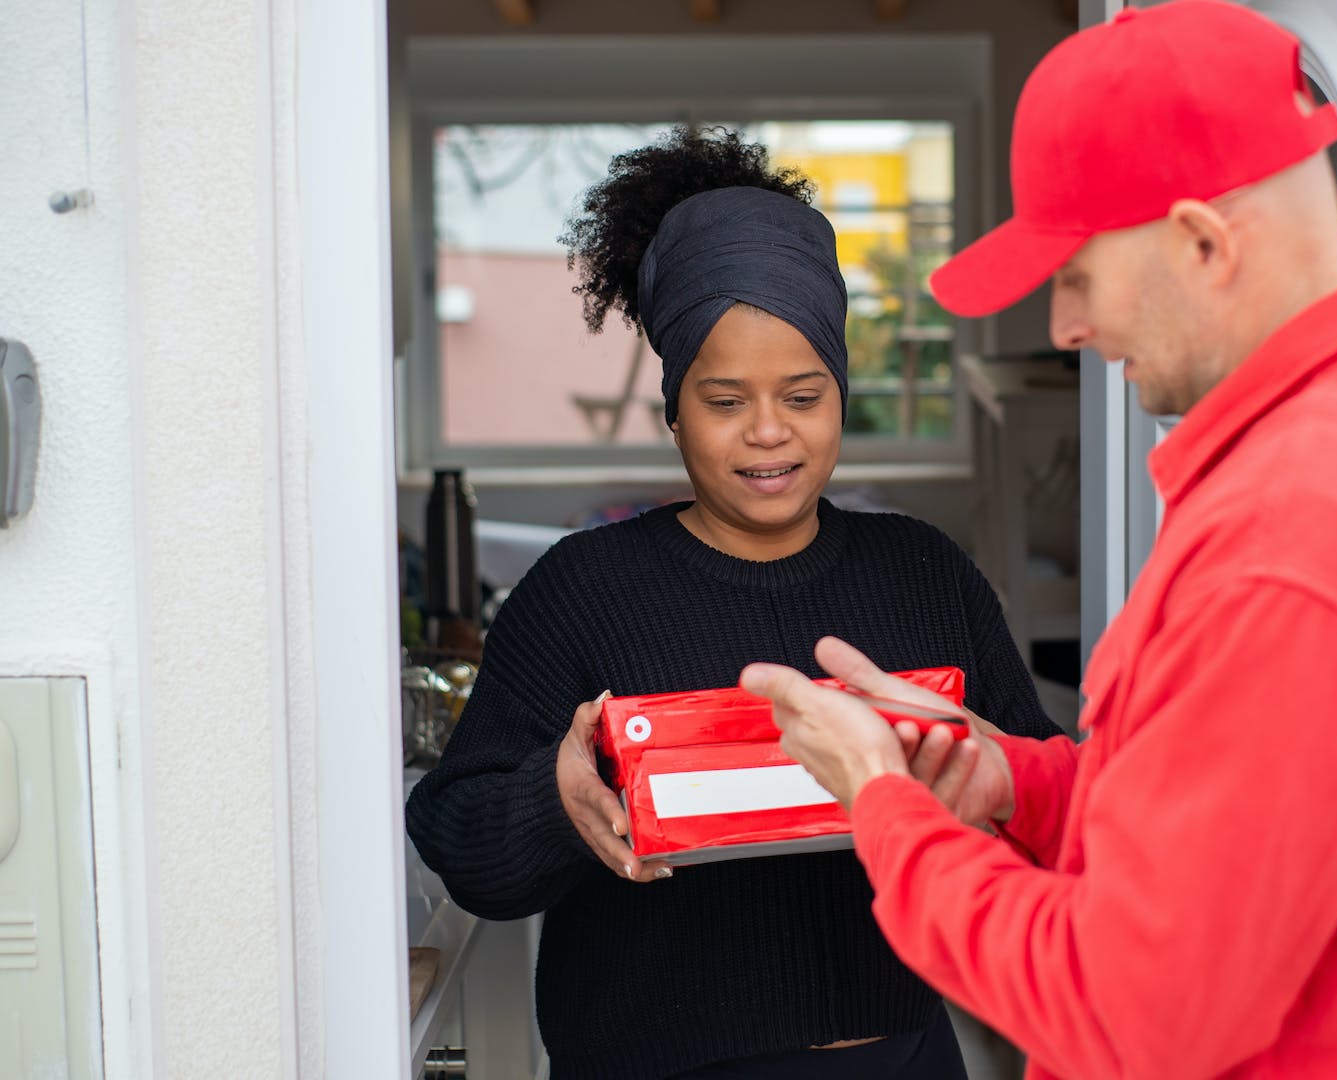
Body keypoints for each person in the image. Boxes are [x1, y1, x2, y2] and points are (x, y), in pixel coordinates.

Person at [738, 3, 1337, 1078]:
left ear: (1201, 244)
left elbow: (1128, 1013)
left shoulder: (1307, 537)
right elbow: (1253, 840)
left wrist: (886, 808)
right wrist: (1014, 782)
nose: (1064, 329)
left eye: (1077, 277)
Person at [405, 125, 1057, 1080]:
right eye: (723, 400)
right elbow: (458, 840)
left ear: (841, 392)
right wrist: (558, 795)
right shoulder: (582, 591)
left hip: (904, 1058)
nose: (766, 434)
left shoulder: (923, 572)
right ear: (673, 406)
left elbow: (1044, 803)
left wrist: (978, 784)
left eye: (802, 395)